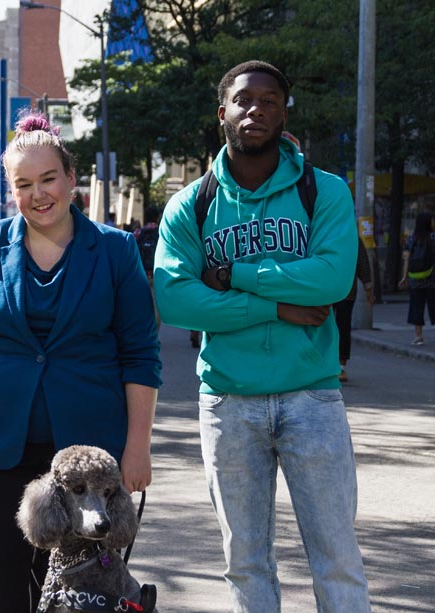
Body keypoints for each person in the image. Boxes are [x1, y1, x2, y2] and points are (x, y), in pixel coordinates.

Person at [155, 61, 370, 611]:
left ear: (284, 112)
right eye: (244, 99)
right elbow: (176, 298)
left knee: (337, 560)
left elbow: (332, 279)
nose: (257, 110)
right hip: (228, 402)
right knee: (245, 563)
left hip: (312, 397)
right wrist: (278, 303)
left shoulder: (324, 192)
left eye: (270, 100)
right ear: (222, 110)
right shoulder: (190, 204)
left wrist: (233, 277)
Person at [0, 112, 161, 613]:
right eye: (24, 184)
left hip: (89, 459)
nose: (39, 194)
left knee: (81, 596)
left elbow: (140, 354)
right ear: (10, 190)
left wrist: (137, 445)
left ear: (71, 178)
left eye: (49, 178)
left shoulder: (116, 250)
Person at [334, 237, 374, 381]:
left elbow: (362, 263)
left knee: (341, 327)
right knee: (338, 327)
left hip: (339, 290)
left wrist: (368, 288)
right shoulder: (328, 232)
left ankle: (340, 366)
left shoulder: (353, 238)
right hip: (336, 290)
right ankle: (335, 365)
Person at [398, 211, 435, 345]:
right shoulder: (433, 237)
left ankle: (418, 336)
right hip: (432, 279)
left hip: (415, 279)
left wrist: (404, 276)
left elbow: (406, 259)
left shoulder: (411, 238)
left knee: (416, 307)